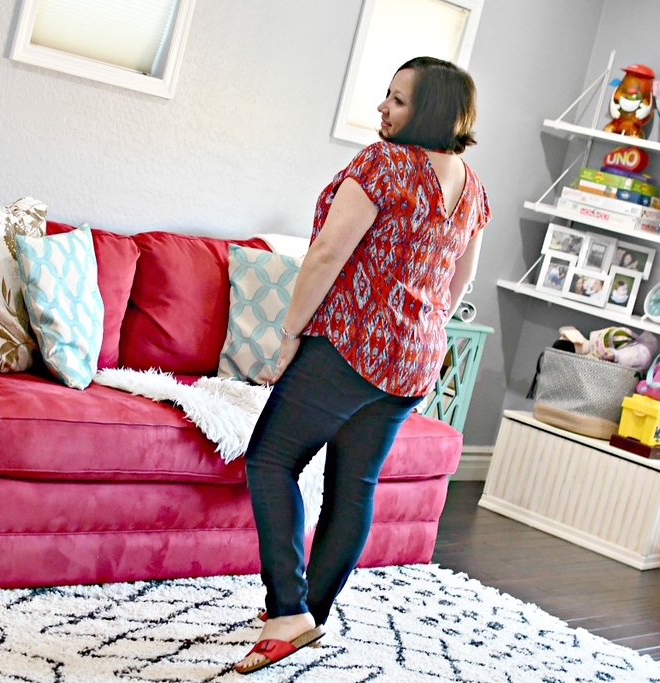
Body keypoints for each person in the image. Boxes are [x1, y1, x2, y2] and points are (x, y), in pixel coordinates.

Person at [234, 56, 491, 674]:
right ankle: (306, 616)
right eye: (386, 96)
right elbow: (462, 279)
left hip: (349, 347)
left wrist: (291, 334)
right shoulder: (474, 186)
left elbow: (324, 255)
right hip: (415, 361)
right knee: (355, 485)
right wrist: (419, 325)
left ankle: (288, 609)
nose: (384, 108)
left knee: (270, 460)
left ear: (426, 111)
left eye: (398, 100)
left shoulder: (384, 165)